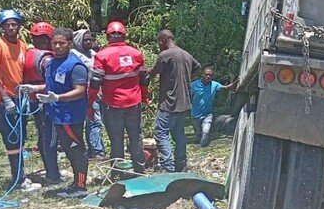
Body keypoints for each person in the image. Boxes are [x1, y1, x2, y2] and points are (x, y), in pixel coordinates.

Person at [19, 28, 89, 198]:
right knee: (67, 149)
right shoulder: (51, 63)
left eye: (61, 43)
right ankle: (75, 183)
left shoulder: (75, 65)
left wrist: (58, 97)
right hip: (55, 115)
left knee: (76, 150)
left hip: (70, 116)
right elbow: (50, 86)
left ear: (69, 44)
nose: (57, 46)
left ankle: (80, 186)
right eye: (54, 43)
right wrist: (35, 88)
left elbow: (80, 91)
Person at [0, 8, 37, 191]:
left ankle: (20, 175)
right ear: (2, 27)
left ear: (19, 26)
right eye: (7, 25)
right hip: (3, 100)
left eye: (14, 24)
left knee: (21, 137)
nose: (11, 27)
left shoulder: (22, 45)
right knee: (12, 139)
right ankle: (17, 179)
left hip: (19, 98)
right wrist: (5, 97)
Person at [91, 21, 148, 174]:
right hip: (134, 103)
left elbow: (95, 82)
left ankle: (117, 171)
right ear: (124, 35)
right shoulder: (136, 53)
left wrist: (89, 103)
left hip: (113, 104)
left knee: (116, 139)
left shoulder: (102, 55)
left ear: (108, 35)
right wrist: (145, 97)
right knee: (135, 136)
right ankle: (139, 169)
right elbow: (144, 78)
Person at [150, 30, 200, 172]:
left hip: (169, 103)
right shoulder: (186, 55)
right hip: (184, 103)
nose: (158, 45)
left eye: (159, 42)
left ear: (164, 39)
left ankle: (168, 166)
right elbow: (197, 67)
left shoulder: (165, 55)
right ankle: (181, 164)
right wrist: (185, 77)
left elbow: (153, 73)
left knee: (161, 133)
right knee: (179, 134)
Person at [24, 22, 59, 184]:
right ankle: (52, 174)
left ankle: (50, 171)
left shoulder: (28, 53)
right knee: (49, 138)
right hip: (46, 101)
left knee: (43, 136)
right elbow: (53, 83)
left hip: (34, 101)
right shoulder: (47, 58)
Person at [71, 29, 105, 159]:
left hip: (98, 92)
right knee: (94, 121)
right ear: (78, 41)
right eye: (85, 40)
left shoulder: (92, 53)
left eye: (90, 39)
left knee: (96, 121)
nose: (88, 42)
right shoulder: (74, 55)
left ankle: (95, 148)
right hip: (85, 93)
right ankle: (97, 152)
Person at [190, 67, 237, 148]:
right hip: (195, 114)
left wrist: (236, 82)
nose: (208, 77)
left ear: (212, 77)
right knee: (198, 134)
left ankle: (203, 147)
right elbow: (187, 96)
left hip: (208, 114)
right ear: (202, 75)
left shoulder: (214, 85)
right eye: (206, 75)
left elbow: (227, 88)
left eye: (210, 75)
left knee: (205, 131)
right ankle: (198, 140)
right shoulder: (194, 85)